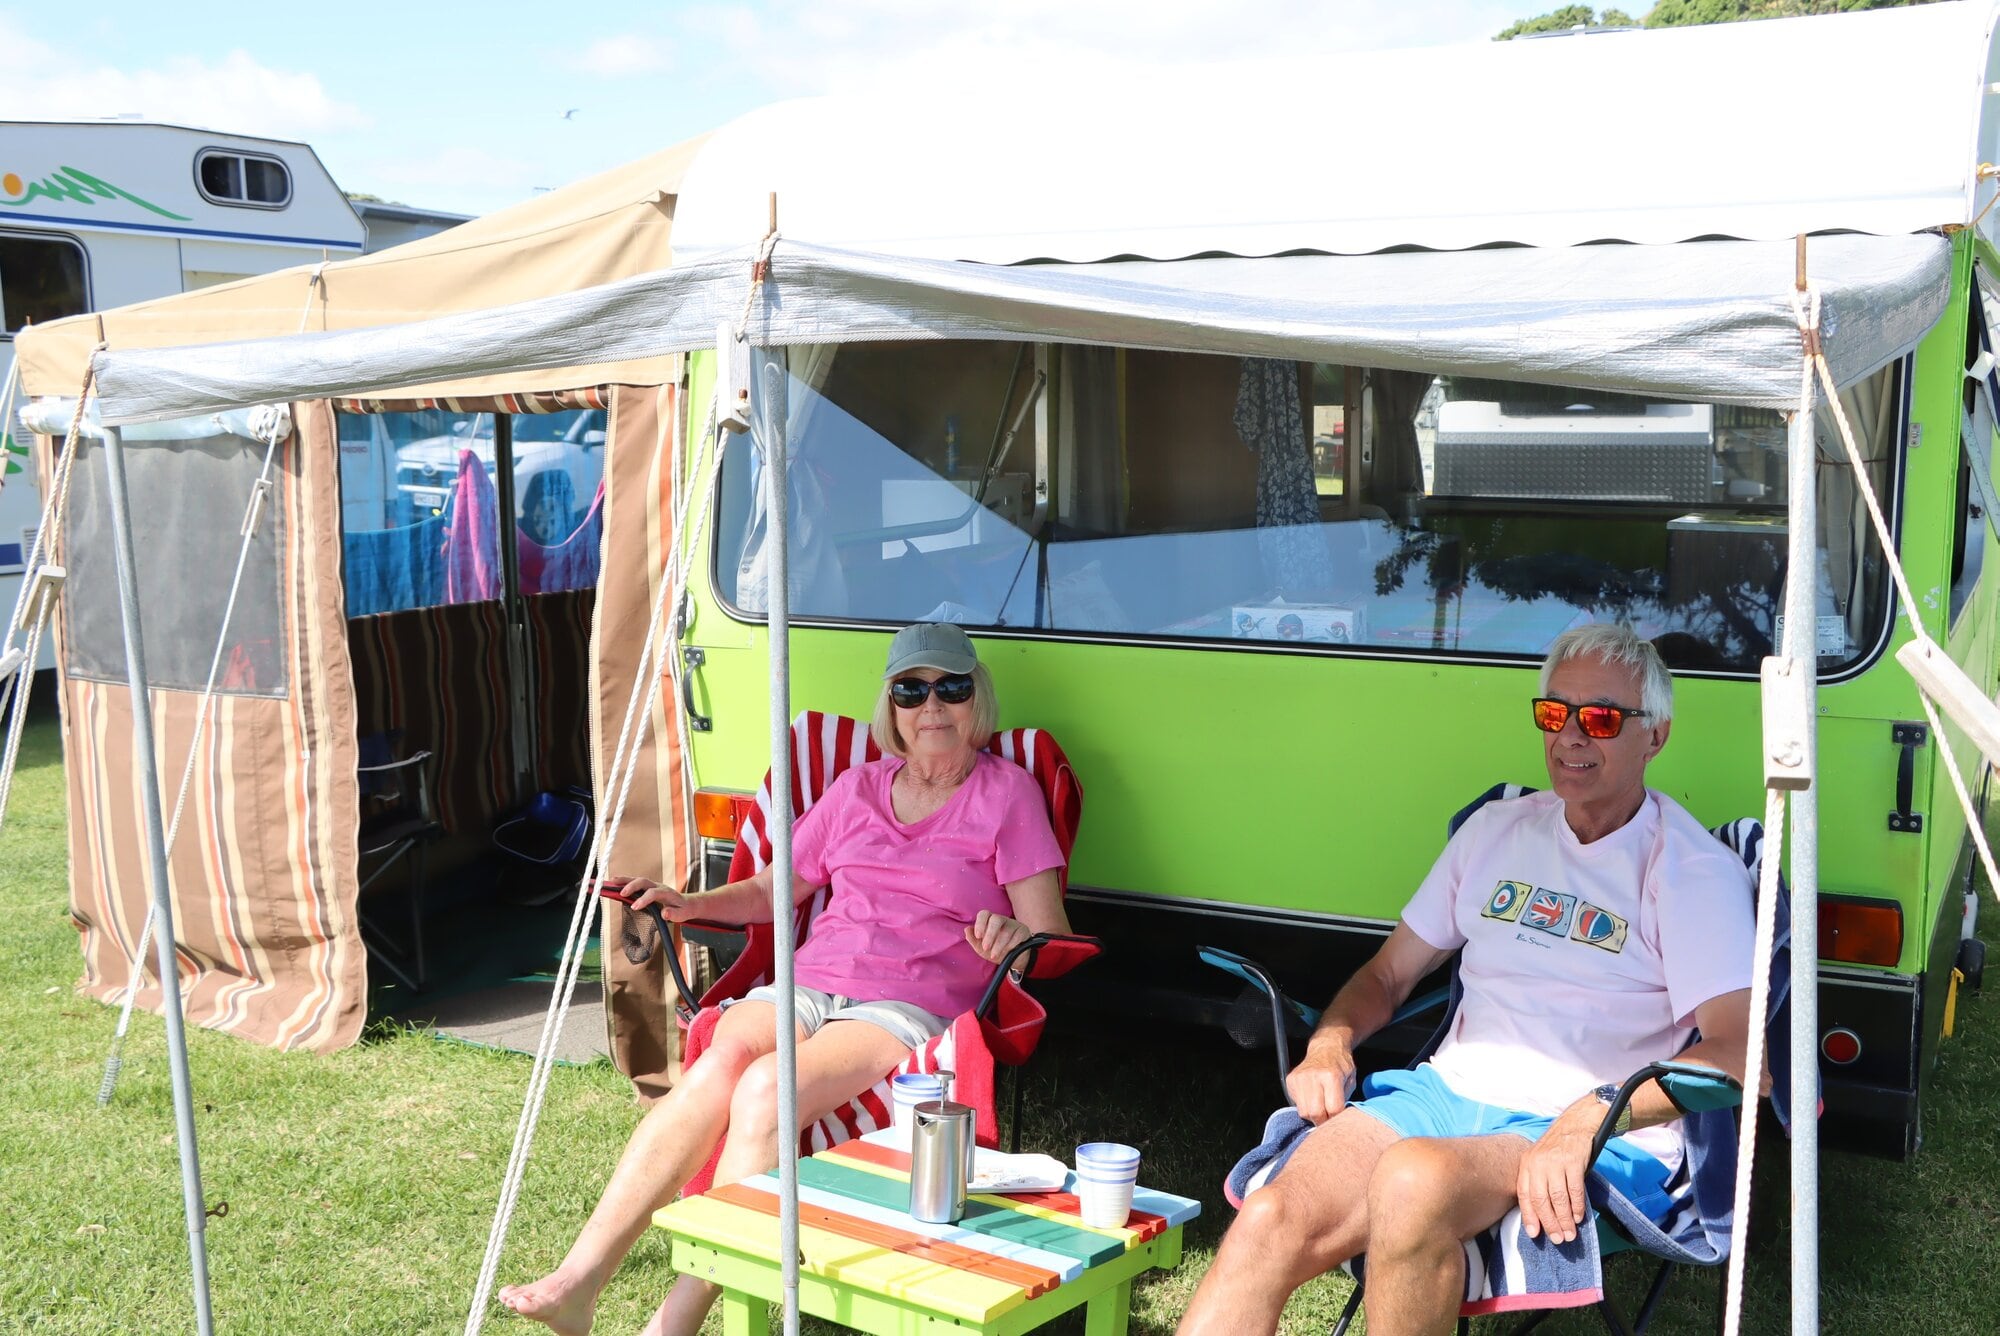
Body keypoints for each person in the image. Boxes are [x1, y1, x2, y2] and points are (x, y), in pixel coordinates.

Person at [1178, 624, 1757, 1336]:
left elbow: (1739, 1056)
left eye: (1601, 718)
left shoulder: (1690, 872)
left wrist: (1589, 1116)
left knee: (1412, 1179)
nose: (1571, 736)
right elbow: (1387, 975)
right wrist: (1330, 1044)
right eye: (1555, 713)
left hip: (1590, 1128)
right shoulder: (1496, 831)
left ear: (1656, 736)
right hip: (1444, 1096)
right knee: (1270, 1218)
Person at [501, 622, 1072, 1336]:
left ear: (976, 700)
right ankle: (578, 1281)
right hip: (814, 980)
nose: (933, 706)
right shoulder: (857, 788)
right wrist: (692, 903)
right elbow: (777, 888)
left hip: (911, 1001)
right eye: (911, 690)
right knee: (722, 1065)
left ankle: (674, 1321)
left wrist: (1014, 938)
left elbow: (1051, 936)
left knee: (769, 1088)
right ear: (890, 706)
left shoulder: (1007, 795)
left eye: (951, 688)